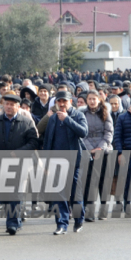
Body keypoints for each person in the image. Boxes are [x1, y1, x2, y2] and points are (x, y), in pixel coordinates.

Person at [0, 94, 40, 235]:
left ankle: (12, 223)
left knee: (16, 194)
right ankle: (16, 220)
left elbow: (33, 143)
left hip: (19, 163)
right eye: (6, 104)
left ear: (18, 107)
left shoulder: (26, 122)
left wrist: (18, 152)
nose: (8, 107)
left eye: (12, 104)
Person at [42, 90, 88, 235]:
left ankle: (79, 219)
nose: (62, 104)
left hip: (74, 160)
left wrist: (67, 119)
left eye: (65, 101)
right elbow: (48, 140)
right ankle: (61, 224)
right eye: (59, 101)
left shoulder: (78, 115)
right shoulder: (53, 118)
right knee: (58, 194)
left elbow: (83, 132)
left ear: (70, 102)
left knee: (75, 193)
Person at [80, 91, 113, 223]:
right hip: (88, 150)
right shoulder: (82, 114)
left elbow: (109, 132)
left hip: (103, 150)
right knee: (89, 182)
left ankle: (103, 211)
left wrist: (100, 147)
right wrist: (90, 149)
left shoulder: (105, 112)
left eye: (94, 99)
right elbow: (82, 134)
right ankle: (89, 212)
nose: (92, 101)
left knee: (103, 181)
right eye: (90, 99)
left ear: (99, 100)